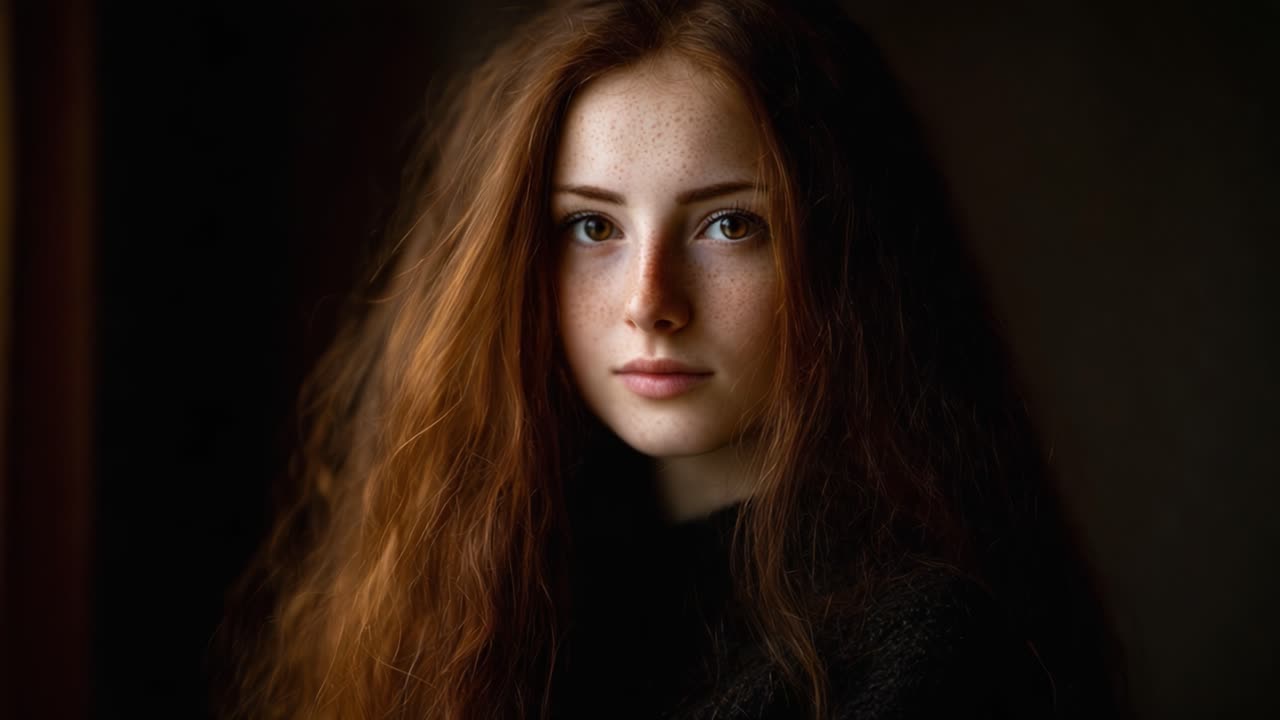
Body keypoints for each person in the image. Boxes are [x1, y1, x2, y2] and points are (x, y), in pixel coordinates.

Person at [220, 0, 1125, 717]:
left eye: (730, 225)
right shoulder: (485, 581)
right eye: (591, 226)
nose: (650, 301)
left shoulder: (927, 653)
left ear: (854, 264)